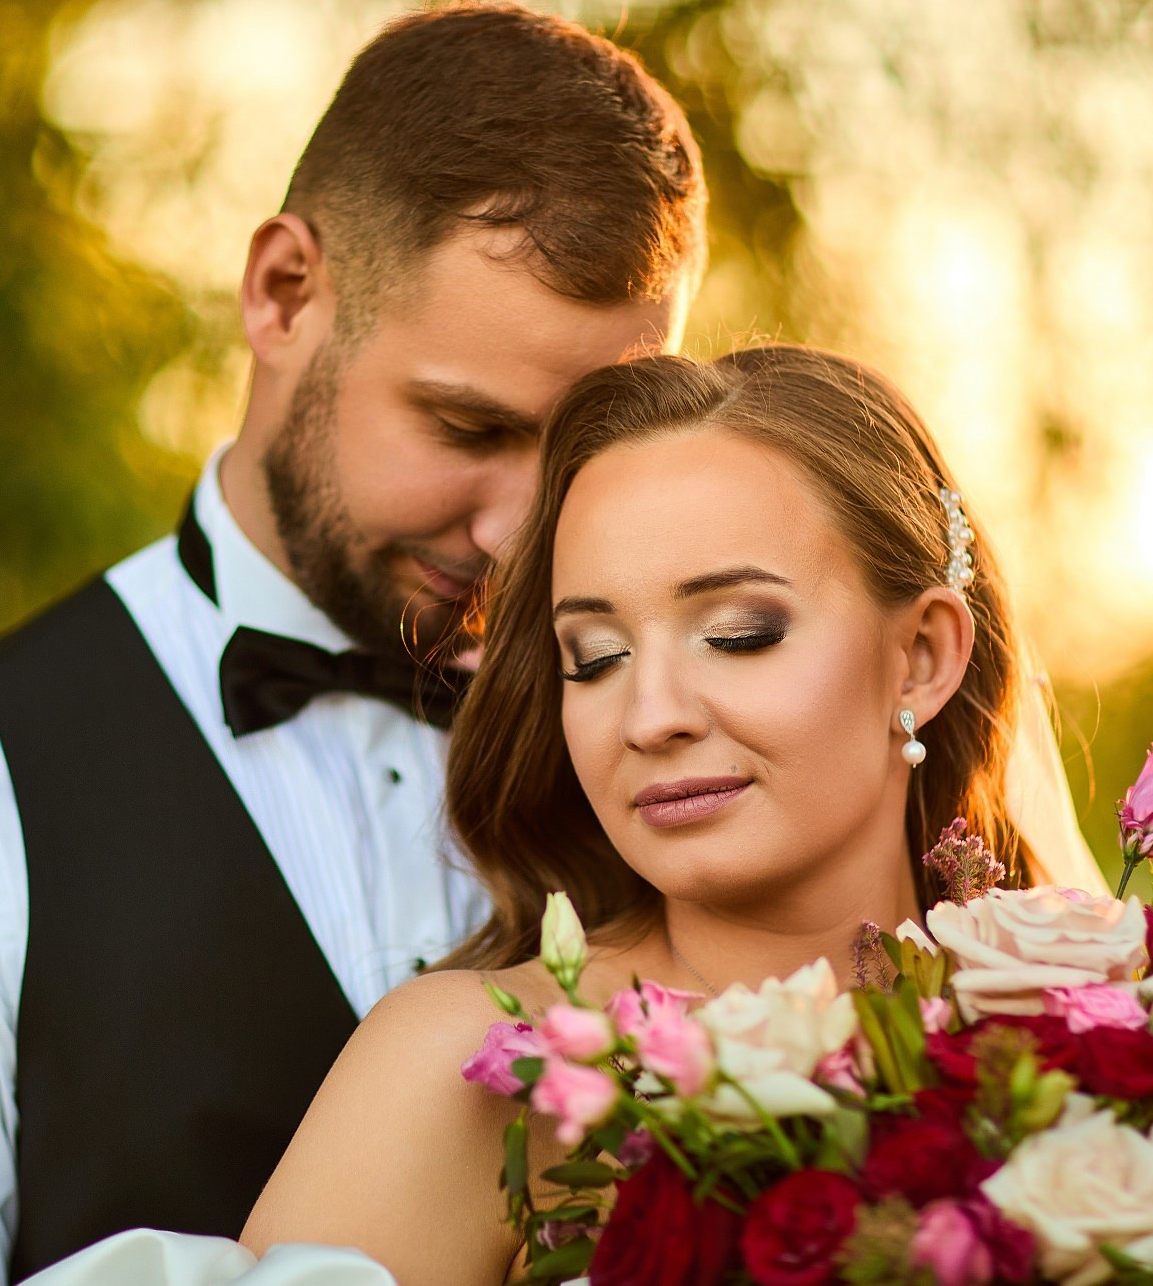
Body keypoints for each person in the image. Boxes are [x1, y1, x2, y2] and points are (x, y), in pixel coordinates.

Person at [0, 3, 706, 1285]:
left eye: (577, 450)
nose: (515, 530)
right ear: (282, 293)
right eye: (465, 427)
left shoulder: (675, 764)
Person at [240, 346, 1088, 1285]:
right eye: (594, 657)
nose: (649, 718)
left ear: (922, 657)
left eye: (739, 635)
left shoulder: (1096, 1043)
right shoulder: (470, 1070)